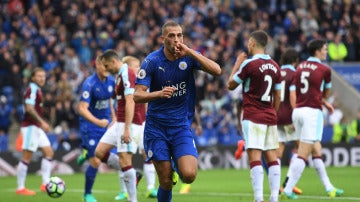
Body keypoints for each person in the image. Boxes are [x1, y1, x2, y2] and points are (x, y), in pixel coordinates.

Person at [133, 20, 221, 202]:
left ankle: (174, 162)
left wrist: (190, 52)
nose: (176, 39)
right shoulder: (151, 61)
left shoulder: (188, 57)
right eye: (172, 36)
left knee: (189, 175)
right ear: (163, 38)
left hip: (180, 126)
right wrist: (159, 93)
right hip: (156, 128)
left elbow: (217, 70)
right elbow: (137, 96)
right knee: (165, 181)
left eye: (179, 35)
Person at [281, 39, 344, 199]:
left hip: (298, 112)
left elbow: (296, 91)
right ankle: (288, 189)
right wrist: (324, 101)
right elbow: (326, 94)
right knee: (303, 153)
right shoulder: (324, 69)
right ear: (317, 51)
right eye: (324, 49)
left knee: (316, 150)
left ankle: (329, 188)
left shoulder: (299, 67)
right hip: (312, 113)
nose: (326, 51)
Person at [227, 30, 282, 202]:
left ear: (252, 43)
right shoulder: (275, 66)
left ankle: (259, 198)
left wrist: (237, 63)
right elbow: (278, 95)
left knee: (254, 157)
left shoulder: (249, 64)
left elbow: (230, 85)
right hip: (270, 116)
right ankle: (274, 197)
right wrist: (273, 112)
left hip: (252, 116)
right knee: (272, 156)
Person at [78, 56, 116, 202]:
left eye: (108, 65)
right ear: (97, 65)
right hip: (90, 126)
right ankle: (87, 194)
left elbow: (110, 101)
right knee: (96, 161)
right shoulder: (89, 83)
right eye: (104, 65)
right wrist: (97, 121)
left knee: (111, 158)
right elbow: (82, 109)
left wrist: (114, 118)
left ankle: (86, 152)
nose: (107, 68)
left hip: (105, 125)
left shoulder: (111, 81)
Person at [16, 67, 53, 195]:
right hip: (30, 126)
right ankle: (20, 188)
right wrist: (42, 122)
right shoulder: (32, 89)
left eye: (43, 76)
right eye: (39, 76)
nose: (42, 78)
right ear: (33, 77)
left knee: (49, 152)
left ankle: (45, 184)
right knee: (27, 157)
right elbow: (29, 108)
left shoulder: (37, 89)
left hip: (36, 127)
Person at [275, 48, 302, 195]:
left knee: (278, 152)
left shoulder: (277, 72)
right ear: (295, 61)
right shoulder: (295, 74)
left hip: (277, 116)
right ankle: (288, 182)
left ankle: (277, 185)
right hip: (290, 118)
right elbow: (293, 98)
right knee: (301, 149)